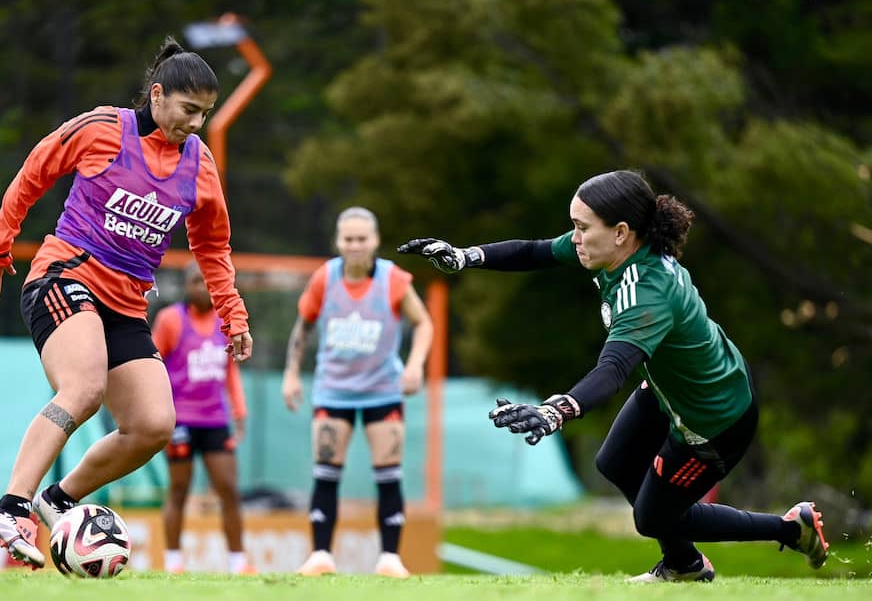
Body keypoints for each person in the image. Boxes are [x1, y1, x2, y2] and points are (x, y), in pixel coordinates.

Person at [398, 170, 829, 582]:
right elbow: (535, 251)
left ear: (621, 232)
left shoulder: (644, 292)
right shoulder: (616, 250)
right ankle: (686, 566)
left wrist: (556, 411)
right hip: (680, 384)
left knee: (653, 518)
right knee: (616, 462)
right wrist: (465, 256)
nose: (575, 238)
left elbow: (613, 369)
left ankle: (790, 530)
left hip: (715, 416)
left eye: (582, 228)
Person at [0, 37, 253, 569]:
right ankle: (10, 507)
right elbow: (37, 168)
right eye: (188, 109)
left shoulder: (199, 163)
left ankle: (57, 500)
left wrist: (232, 314)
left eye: (205, 113)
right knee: (84, 386)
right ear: (157, 94)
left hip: (125, 305)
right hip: (64, 277)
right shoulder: (104, 128)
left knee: (153, 424)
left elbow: (212, 246)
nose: (196, 123)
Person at [282, 207, 433, 578]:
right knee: (326, 472)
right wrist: (291, 373)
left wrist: (415, 365)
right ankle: (320, 555)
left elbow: (423, 323)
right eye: (348, 239)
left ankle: (390, 558)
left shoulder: (393, 279)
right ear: (338, 241)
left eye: (362, 239)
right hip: (333, 391)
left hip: (383, 390)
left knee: (389, 473)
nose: (355, 246)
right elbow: (303, 327)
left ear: (375, 241)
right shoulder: (325, 278)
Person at [152, 261, 254, 575]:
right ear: (187, 285)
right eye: (198, 281)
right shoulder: (171, 320)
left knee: (229, 490)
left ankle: (238, 562)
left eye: (210, 282)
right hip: (180, 420)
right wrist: (158, 411)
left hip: (215, 420)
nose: (205, 288)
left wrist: (239, 411)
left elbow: (231, 371)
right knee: (179, 490)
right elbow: (152, 365)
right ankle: (173, 562)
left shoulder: (226, 321)